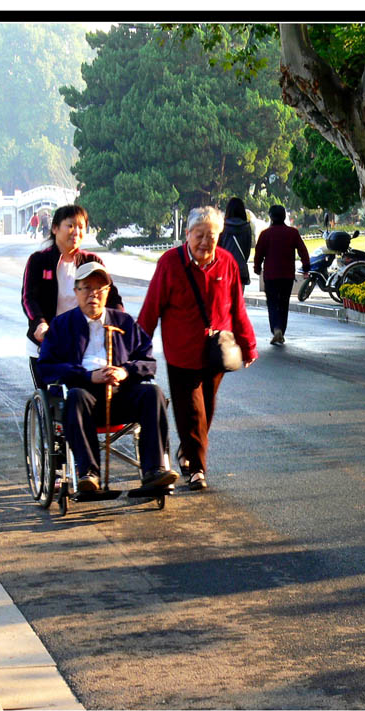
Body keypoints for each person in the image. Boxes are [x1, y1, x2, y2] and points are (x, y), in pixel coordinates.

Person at [137, 206, 257, 491]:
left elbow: (237, 308)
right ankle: (197, 470)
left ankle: (186, 452)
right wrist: (138, 346)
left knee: (207, 409)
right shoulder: (169, 263)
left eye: (211, 236)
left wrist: (248, 345)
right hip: (182, 352)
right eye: (199, 235)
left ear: (220, 236)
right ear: (187, 234)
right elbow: (151, 307)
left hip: (216, 352)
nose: (205, 242)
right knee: (192, 410)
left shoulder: (227, 263)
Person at [37, 262, 178, 492]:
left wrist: (125, 371)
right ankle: (88, 474)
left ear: (108, 292)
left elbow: (148, 362)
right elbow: (46, 367)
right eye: (87, 288)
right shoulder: (61, 325)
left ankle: (154, 470)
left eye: (100, 288)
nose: (93, 294)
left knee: (153, 393)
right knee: (75, 396)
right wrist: (87, 376)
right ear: (76, 292)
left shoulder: (124, 323)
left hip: (121, 394)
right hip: (84, 396)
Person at [21, 204, 122, 370]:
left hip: (86, 345)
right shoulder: (39, 261)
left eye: (81, 227)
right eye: (70, 226)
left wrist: (120, 322)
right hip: (46, 343)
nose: (76, 232)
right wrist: (40, 323)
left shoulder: (93, 262)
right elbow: (28, 298)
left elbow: (112, 297)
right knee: (53, 394)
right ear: (55, 228)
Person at [253, 205, 311, 346]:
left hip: (271, 276)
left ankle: (276, 329)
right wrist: (306, 267)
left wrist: (257, 268)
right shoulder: (292, 233)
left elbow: (258, 254)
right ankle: (281, 331)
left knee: (272, 303)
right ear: (284, 216)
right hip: (287, 275)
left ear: (271, 217)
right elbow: (303, 251)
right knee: (283, 303)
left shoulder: (265, 234)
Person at [218, 197, 253, 288]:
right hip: (240, 269)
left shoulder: (222, 226)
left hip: (224, 268)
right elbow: (247, 250)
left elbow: (218, 248)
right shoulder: (247, 227)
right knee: (238, 299)